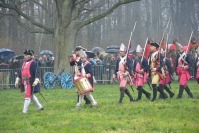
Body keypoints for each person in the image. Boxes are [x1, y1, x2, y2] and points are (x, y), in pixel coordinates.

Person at [15, 49, 43, 114]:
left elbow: (37, 73)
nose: (25, 56)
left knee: (27, 96)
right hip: (24, 82)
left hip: (30, 83)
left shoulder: (34, 63)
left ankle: (24, 111)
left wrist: (36, 80)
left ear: (30, 56)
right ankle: (40, 107)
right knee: (31, 95)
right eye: (25, 55)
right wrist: (17, 79)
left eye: (26, 55)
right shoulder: (23, 63)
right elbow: (20, 72)